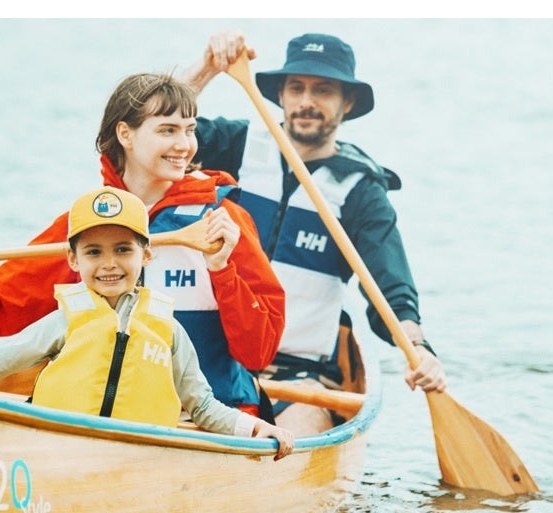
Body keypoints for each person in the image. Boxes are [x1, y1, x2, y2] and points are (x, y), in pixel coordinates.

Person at [0, 72, 285, 420]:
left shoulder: (222, 221)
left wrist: (221, 269)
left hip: (208, 416)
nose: (185, 145)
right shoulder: (87, 228)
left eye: (189, 131)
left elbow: (258, 352)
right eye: (168, 131)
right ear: (126, 134)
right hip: (104, 419)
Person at [0, 187, 293, 455]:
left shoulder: (169, 329)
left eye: (123, 250)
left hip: (137, 461)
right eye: (94, 252)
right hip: (61, 454)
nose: (109, 264)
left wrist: (253, 427)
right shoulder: (64, 321)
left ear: (147, 255)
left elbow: (201, 406)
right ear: (72, 259)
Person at [186, 31, 446, 434]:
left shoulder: (361, 191)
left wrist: (419, 349)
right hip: (204, 357)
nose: (307, 101)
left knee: (303, 426)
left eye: (323, 90)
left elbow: (391, 292)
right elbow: (145, 132)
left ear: (348, 102)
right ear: (282, 96)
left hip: (295, 377)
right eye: (297, 88)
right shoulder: (238, 145)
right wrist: (205, 70)